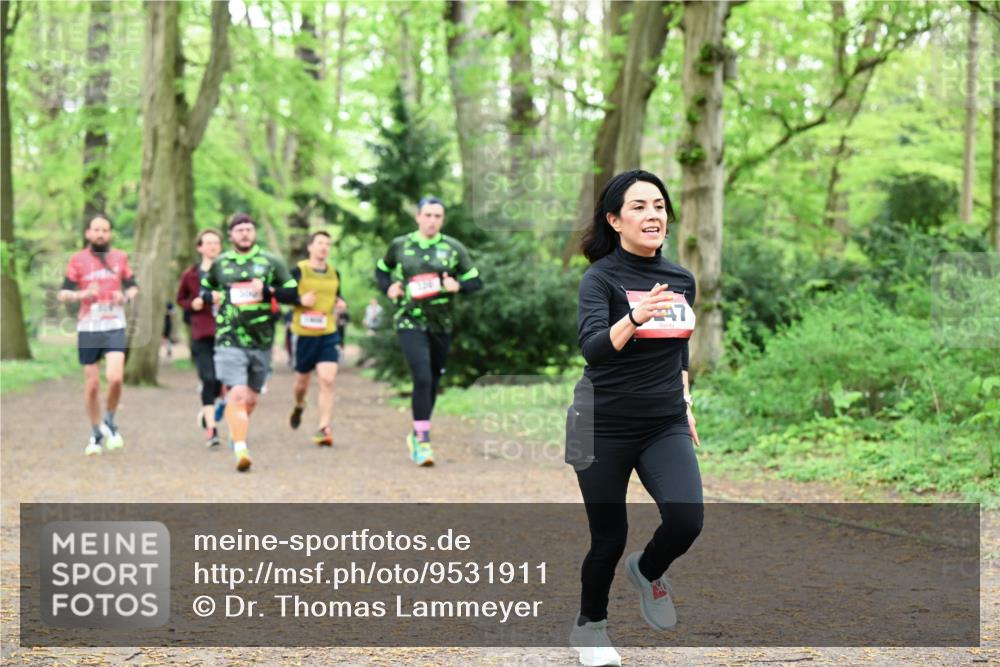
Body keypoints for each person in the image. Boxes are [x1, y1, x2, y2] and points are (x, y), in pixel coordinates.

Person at [564, 170, 703, 667]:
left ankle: (647, 569)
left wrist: (684, 406)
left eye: (660, 205)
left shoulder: (683, 279)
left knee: (687, 519)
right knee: (608, 537)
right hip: (600, 422)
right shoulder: (599, 279)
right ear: (614, 219)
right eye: (640, 206)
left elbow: (679, 354)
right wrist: (636, 317)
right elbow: (594, 350)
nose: (653, 215)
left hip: (662, 421)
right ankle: (591, 628)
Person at [374, 196, 482, 466]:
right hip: (409, 320)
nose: (432, 220)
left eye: (437, 216)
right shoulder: (400, 245)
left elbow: (476, 281)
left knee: (432, 381)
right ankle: (423, 441)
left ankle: (417, 431)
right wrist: (389, 287)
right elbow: (381, 271)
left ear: (442, 220)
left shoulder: (453, 248)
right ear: (418, 217)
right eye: (428, 215)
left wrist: (458, 285)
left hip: (441, 325)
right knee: (421, 376)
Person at [198, 213, 299, 472]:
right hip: (229, 337)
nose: (244, 233)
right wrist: (212, 297)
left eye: (249, 229)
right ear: (230, 235)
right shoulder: (221, 264)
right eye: (239, 230)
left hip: (261, 341)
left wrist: (268, 290)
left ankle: (236, 430)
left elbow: (292, 293)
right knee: (238, 393)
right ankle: (241, 448)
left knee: (251, 399)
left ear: (254, 234)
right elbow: (205, 291)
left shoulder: (270, 262)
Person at [58, 215, 139, 456]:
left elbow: (133, 286)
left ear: (110, 233)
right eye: (96, 230)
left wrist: (124, 296)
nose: (101, 234)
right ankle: (95, 431)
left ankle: (111, 419)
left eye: (105, 230)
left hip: (114, 324)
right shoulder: (78, 260)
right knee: (92, 385)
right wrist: (81, 295)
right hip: (89, 327)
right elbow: (63, 293)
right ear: (88, 233)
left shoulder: (120, 257)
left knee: (115, 378)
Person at [288, 230, 345, 446]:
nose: (324, 247)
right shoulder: (299, 271)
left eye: (327, 244)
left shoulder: (334, 273)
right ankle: (299, 405)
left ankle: (324, 427)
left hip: (328, 332)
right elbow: (284, 294)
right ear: (310, 247)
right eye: (320, 243)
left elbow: (338, 294)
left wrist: (341, 302)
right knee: (301, 383)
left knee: (328, 380)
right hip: (304, 334)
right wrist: (300, 299)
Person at [176, 228, 225, 448]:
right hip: (202, 332)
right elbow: (181, 299)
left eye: (216, 243)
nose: (213, 246)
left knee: (222, 381)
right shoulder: (191, 275)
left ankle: (210, 412)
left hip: (227, 333)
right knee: (208, 378)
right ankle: (211, 430)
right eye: (208, 243)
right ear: (200, 247)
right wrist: (192, 304)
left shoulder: (229, 271)